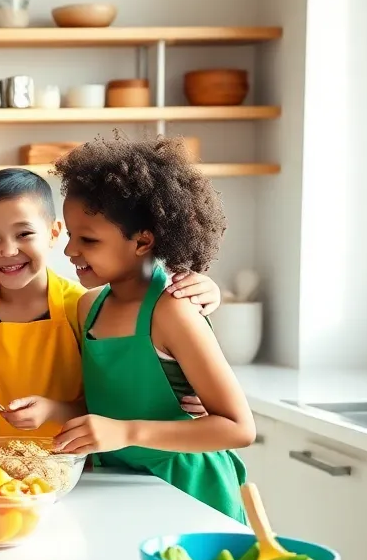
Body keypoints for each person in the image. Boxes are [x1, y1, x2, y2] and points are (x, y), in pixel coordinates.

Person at [54, 136, 254, 521]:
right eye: (70, 237)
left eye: (88, 240)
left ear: (143, 241)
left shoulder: (173, 311)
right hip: (118, 486)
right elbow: (109, 405)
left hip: (190, 493)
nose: (69, 252)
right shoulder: (88, 308)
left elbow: (238, 427)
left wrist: (127, 433)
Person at [0, 168, 221, 439]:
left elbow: (110, 400)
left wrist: (191, 392)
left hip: (74, 460)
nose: (9, 251)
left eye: (24, 234)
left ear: (53, 233)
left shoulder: (82, 305)